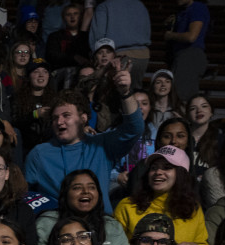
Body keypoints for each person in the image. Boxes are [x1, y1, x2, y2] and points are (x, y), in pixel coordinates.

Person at [24, 81, 142, 217]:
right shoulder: (39, 154)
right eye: (55, 118)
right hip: (59, 225)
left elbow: (135, 128)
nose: (59, 122)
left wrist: (126, 93)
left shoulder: (102, 144)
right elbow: (25, 195)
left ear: (83, 118)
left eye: (66, 115)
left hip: (99, 223)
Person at [114, 145, 209, 245]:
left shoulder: (193, 208)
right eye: (153, 168)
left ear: (181, 174)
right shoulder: (127, 206)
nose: (158, 172)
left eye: (166, 168)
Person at [36, 169, 130, 245]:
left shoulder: (112, 226)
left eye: (92, 187)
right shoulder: (47, 223)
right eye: (77, 188)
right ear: (65, 194)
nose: (86, 191)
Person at [165, 0, 210, 101]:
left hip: (190, 55)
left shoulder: (197, 8)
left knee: (181, 97)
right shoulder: (184, 10)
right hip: (182, 55)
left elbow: (191, 37)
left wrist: (170, 35)